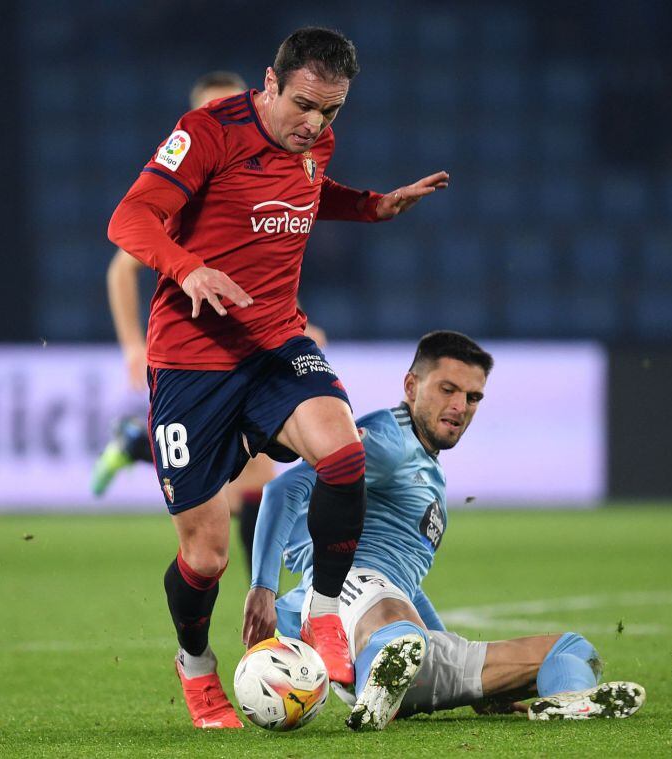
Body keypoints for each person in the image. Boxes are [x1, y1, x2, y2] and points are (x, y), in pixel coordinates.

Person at [106, 27, 449, 729]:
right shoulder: (207, 131)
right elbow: (129, 217)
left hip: (273, 341)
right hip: (191, 360)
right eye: (303, 105)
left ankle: (324, 613)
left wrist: (372, 206)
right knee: (204, 556)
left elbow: (308, 192)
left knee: (344, 453)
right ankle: (196, 664)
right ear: (268, 82)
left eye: (331, 111)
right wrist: (187, 267)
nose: (315, 124)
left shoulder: (314, 141)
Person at [244, 331, 646, 731]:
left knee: (573, 649)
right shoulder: (388, 438)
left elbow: (407, 586)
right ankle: (378, 680)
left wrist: (451, 658)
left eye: (473, 398)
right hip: (345, 599)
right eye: (448, 389)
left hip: (394, 620)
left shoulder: (428, 469)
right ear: (411, 385)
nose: (460, 406)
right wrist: (263, 586)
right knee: (391, 617)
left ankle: (565, 701)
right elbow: (283, 489)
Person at [90, 70, 325, 573]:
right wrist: (132, 345)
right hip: (196, 351)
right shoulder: (187, 186)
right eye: (212, 111)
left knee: (253, 475)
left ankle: (136, 444)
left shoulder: (261, 174)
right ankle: (262, 598)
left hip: (253, 346)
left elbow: (266, 269)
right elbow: (122, 262)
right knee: (239, 477)